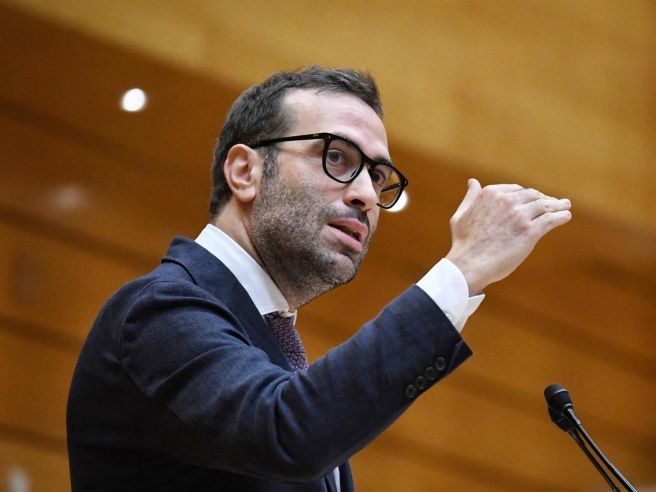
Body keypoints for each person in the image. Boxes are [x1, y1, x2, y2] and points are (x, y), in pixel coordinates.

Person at [67, 67, 572, 491]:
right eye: (336, 157)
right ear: (244, 171)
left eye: (377, 176)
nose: (367, 195)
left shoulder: (270, 346)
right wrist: (463, 271)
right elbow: (288, 431)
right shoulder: (157, 311)